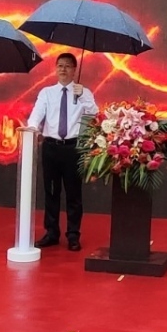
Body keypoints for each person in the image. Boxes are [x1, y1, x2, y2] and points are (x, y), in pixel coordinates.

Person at [28, 53, 97, 252]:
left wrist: (82, 94)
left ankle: (73, 235)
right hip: (51, 147)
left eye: (67, 66)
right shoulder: (47, 92)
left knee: (74, 193)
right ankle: (51, 232)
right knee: (51, 192)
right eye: (59, 66)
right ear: (55, 68)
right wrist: (31, 128)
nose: (63, 70)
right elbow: (36, 116)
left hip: (73, 148)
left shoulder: (84, 92)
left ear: (74, 70)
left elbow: (95, 114)